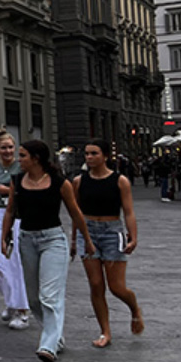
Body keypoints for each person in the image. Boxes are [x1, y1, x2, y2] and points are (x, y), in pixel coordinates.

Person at [4, 140, 94, 362]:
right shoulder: (17, 180)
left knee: (49, 295)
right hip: (26, 239)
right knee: (33, 297)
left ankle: (48, 346)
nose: (19, 159)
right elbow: (10, 210)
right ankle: (55, 336)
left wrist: (86, 241)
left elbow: (75, 212)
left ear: (36, 158)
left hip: (53, 240)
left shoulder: (59, 182)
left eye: (23, 155)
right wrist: (4, 237)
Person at [74, 140, 145, 348]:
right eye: (86, 154)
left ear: (105, 156)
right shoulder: (79, 181)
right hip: (87, 232)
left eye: (94, 153)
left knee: (116, 287)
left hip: (112, 231)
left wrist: (133, 237)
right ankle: (105, 331)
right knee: (96, 285)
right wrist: (74, 238)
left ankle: (134, 309)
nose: (89, 157)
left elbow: (129, 211)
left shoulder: (119, 181)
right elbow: (76, 212)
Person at [0, 130, 30, 330]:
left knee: (16, 265)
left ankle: (22, 310)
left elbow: (28, 192)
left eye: (11, 147)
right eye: (4, 148)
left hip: (19, 216)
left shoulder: (22, 168)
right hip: (1, 215)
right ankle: (12, 300)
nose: (8, 151)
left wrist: (7, 191)